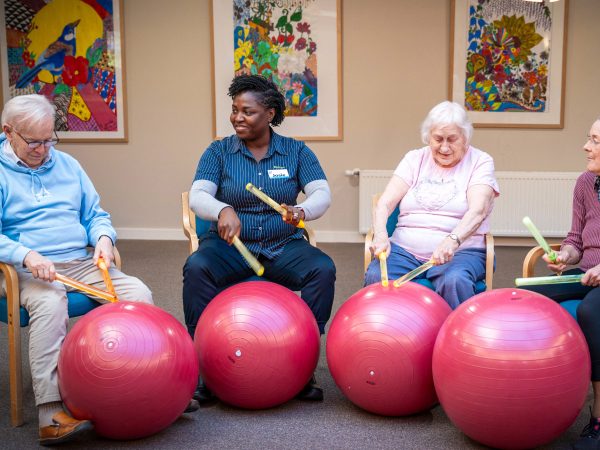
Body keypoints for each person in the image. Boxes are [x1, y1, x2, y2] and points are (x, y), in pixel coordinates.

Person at [0, 94, 169, 446]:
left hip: (79, 261)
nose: (44, 149)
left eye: (49, 140)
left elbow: (95, 215)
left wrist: (104, 239)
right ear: (7, 132)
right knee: (51, 301)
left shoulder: (68, 165)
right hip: (22, 270)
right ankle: (50, 413)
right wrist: (26, 254)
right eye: (34, 142)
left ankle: (149, 387)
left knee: (138, 293)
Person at [183, 74, 336, 404]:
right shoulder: (218, 151)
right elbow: (198, 196)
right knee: (197, 268)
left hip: (283, 246)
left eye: (247, 111)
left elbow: (322, 193)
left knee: (322, 270)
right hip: (231, 248)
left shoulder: (295, 151)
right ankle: (204, 368)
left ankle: (302, 361)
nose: (238, 117)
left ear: (269, 113)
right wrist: (222, 208)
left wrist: (303, 211)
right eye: (234, 109)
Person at [364, 101, 499, 308]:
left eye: (452, 139)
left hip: (461, 251)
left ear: (465, 137)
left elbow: (478, 210)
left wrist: (452, 241)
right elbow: (384, 204)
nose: (444, 147)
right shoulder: (414, 158)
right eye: (438, 139)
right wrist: (381, 235)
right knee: (376, 275)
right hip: (404, 250)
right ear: (429, 136)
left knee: (454, 280)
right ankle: (388, 336)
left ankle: (456, 337)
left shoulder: (480, 161)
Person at [523, 117, 600, 450]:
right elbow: (575, 239)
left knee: (590, 312)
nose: (586, 146)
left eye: (595, 141)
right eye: (589, 138)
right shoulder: (585, 182)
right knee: (526, 301)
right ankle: (529, 400)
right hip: (584, 272)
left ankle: (597, 417)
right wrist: (565, 256)